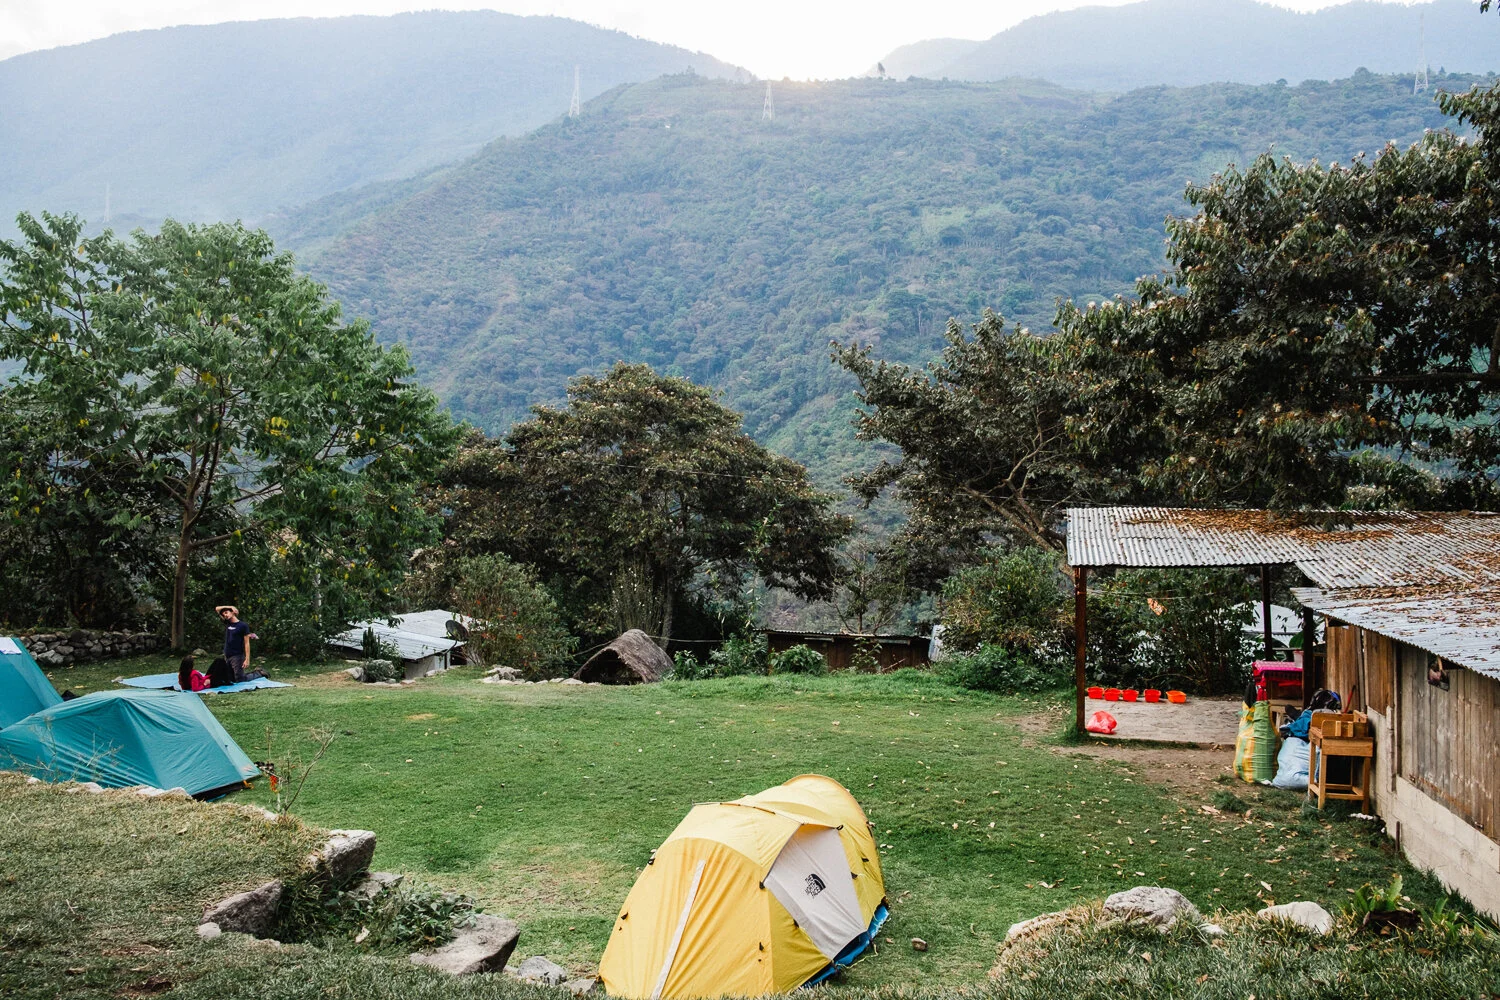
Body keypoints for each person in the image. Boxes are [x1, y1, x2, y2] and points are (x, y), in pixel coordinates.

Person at [216, 605, 253, 682]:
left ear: (233, 612)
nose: (225, 615)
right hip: (227, 655)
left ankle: (259, 673)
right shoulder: (227, 623)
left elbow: (247, 643)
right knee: (230, 679)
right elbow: (216, 609)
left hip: (237, 656)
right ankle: (242, 674)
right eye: (223, 614)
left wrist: (247, 659)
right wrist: (230, 606)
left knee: (240, 679)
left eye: (226, 612)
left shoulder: (243, 625)